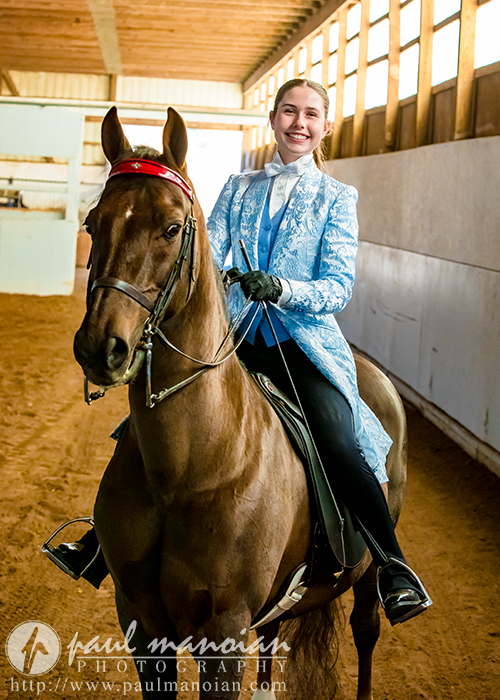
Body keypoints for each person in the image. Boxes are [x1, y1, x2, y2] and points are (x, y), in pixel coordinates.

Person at [44, 78, 431, 626]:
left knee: (340, 442)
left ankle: (391, 567)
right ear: (273, 120)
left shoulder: (337, 199)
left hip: (302, 345)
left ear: (324, 127)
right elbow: (207, 254)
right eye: (289, 112)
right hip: (234, 336)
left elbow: (338, 286)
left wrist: (284, 289)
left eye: (311, 115)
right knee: (145, 425)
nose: (299, 122)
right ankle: (102, 543)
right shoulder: (238, 187)